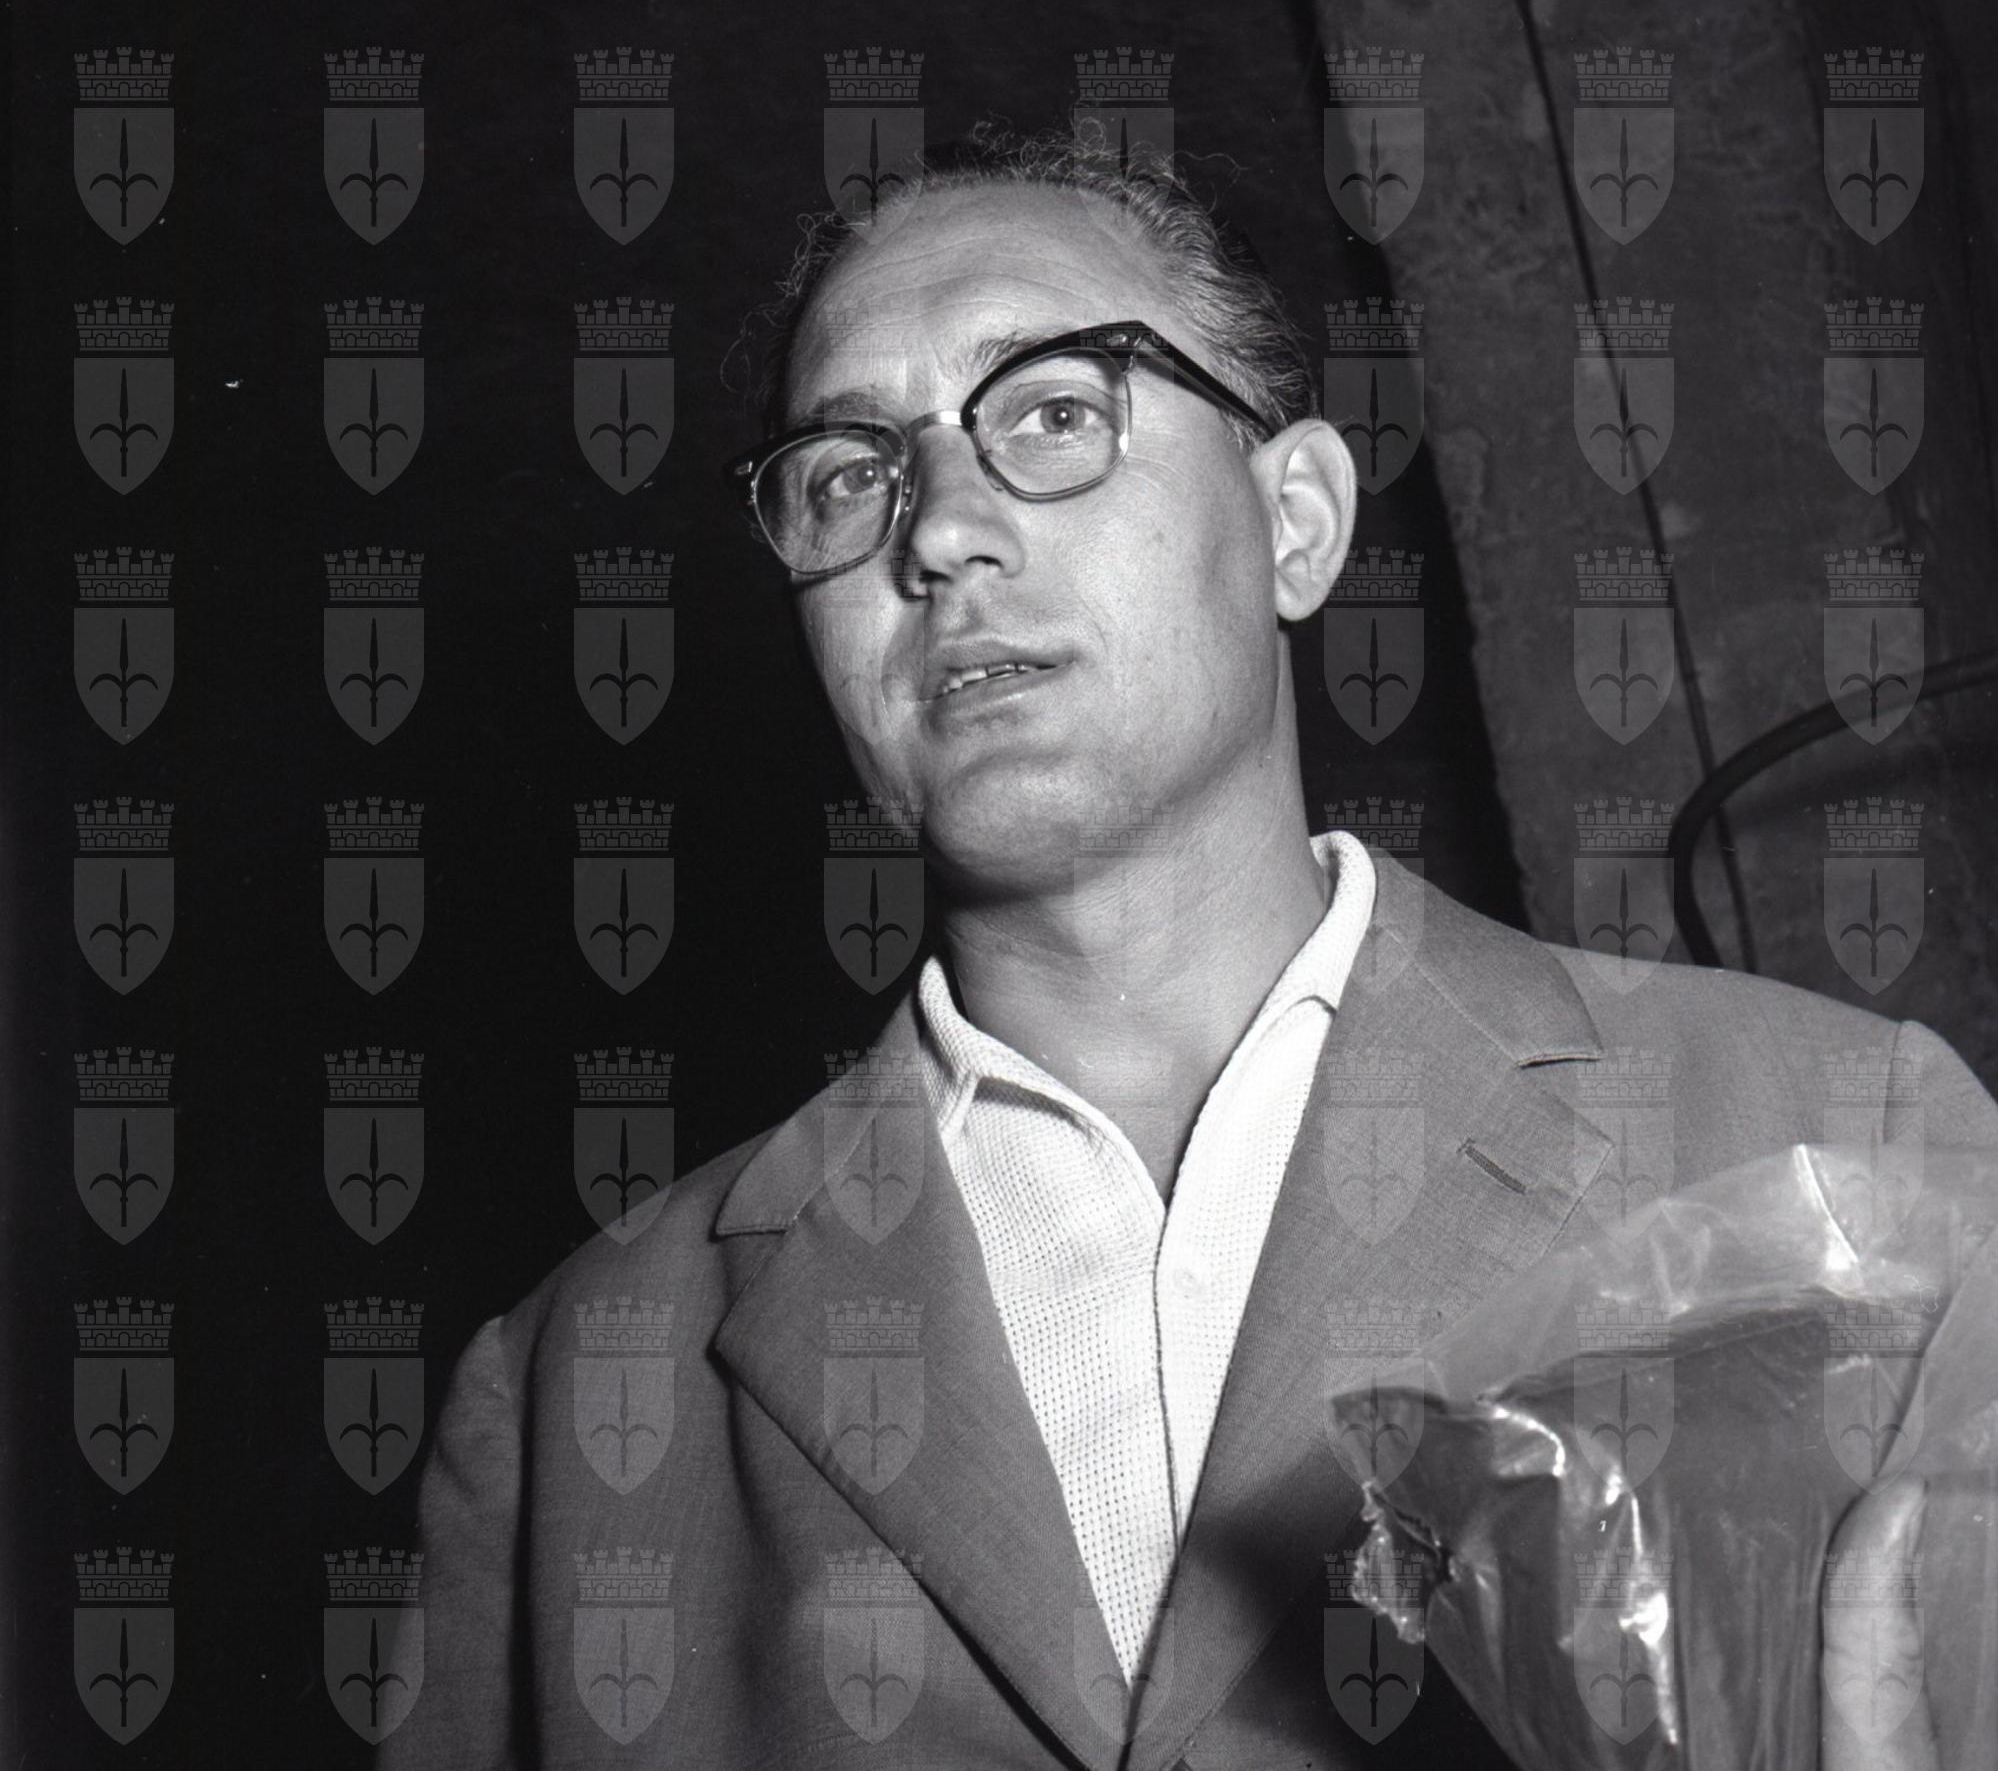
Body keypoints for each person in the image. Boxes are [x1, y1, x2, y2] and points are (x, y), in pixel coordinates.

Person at [381, 130, 1991, 1769]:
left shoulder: (1840, 1134)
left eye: (1053, 412)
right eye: (850, 475)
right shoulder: (580, 1381)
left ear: (1295, 522)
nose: (936, 533)